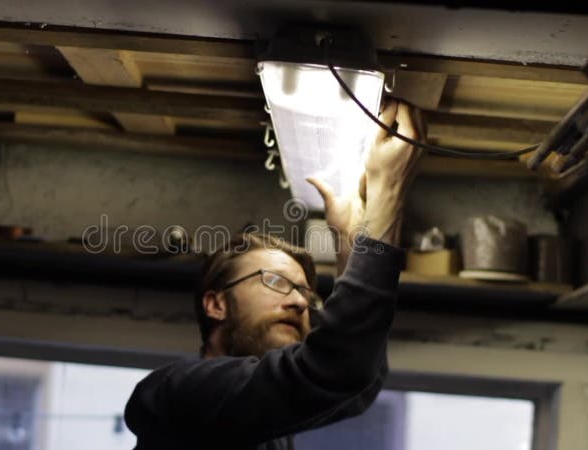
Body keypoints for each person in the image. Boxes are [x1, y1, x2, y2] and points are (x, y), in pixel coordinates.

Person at [124, 99, 425, 450]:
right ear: (216, 304)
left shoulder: (267, 425)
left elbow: (359, 382)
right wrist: (387, 195)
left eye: (306, 292)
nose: (300, 301)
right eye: (276, 282)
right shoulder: (181, 393)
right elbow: (340, 368)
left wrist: (349, 241)